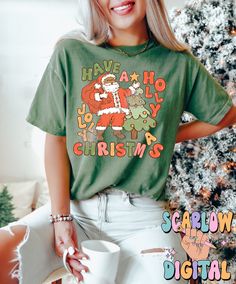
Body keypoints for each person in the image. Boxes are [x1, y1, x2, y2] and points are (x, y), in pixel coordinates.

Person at [0, 0, 235, 283]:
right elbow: (56, 139)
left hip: (144, 220)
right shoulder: (71, 51)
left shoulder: (178, 63)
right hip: (75, 212)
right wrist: (61, 220)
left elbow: (224, 115)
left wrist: (168, 132)